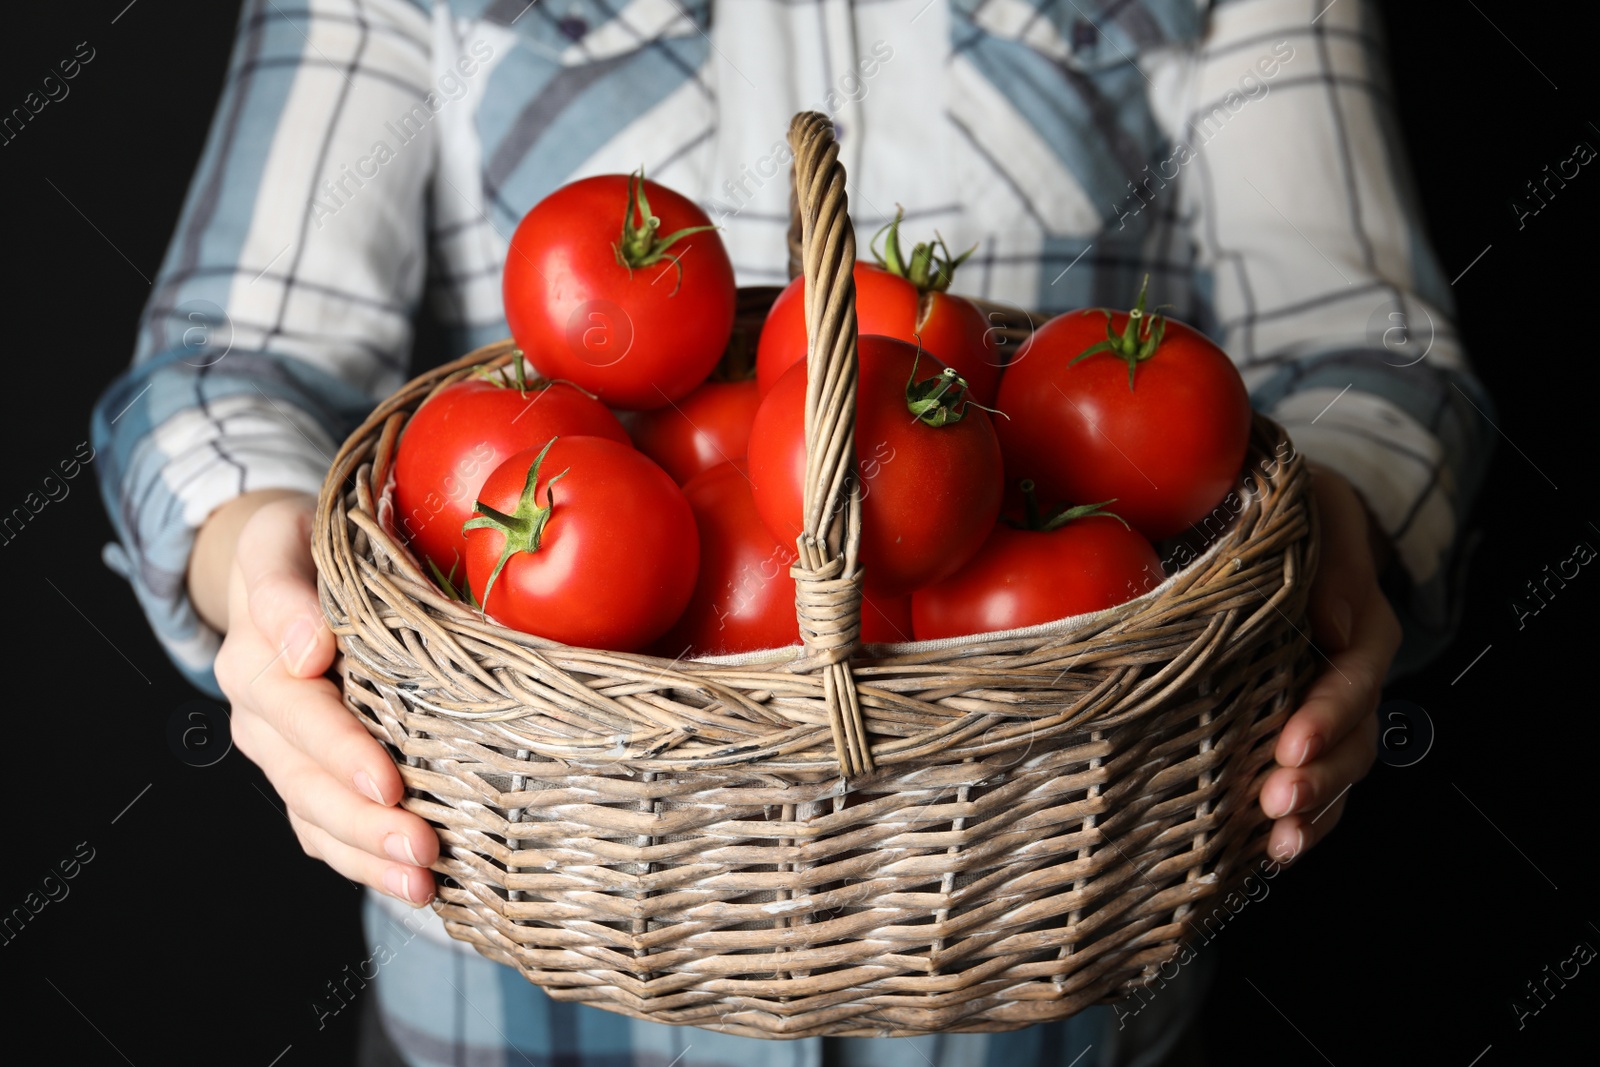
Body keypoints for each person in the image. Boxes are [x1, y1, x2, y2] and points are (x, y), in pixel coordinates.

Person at [92, 1, 1493, 1064]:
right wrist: (261, 571)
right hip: (506, 1003)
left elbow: (1366, 352)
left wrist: (1343, 523)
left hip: (1065, 985)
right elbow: (225, 367)